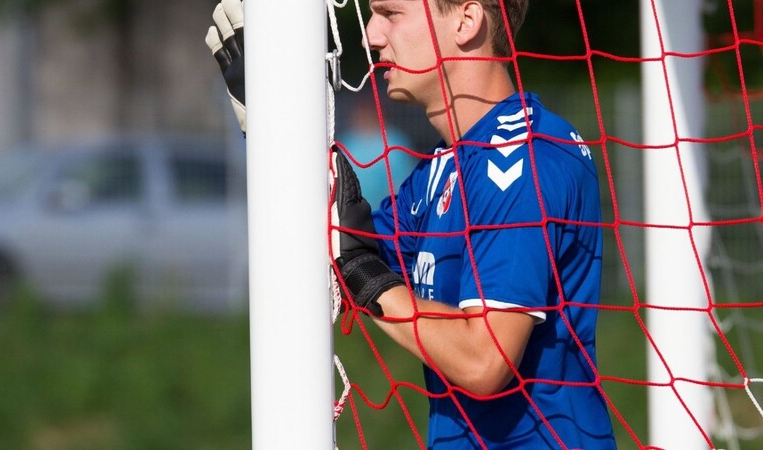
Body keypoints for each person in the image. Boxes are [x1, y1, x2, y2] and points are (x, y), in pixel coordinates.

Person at [207, 0, 616, 448]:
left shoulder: (523, 158)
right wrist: (277, 128)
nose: (370, 36)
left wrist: (369, 278)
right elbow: (340, 252)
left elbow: (485, 360)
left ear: (466, 20)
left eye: (391, 14)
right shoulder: (441, 170)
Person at [336, 92, 418, 205]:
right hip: (351, 213)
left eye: (367, 111)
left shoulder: (395, 142)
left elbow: (404, 182)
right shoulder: (346, 143)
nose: (363, 115)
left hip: (385, 214)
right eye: (361, 111)